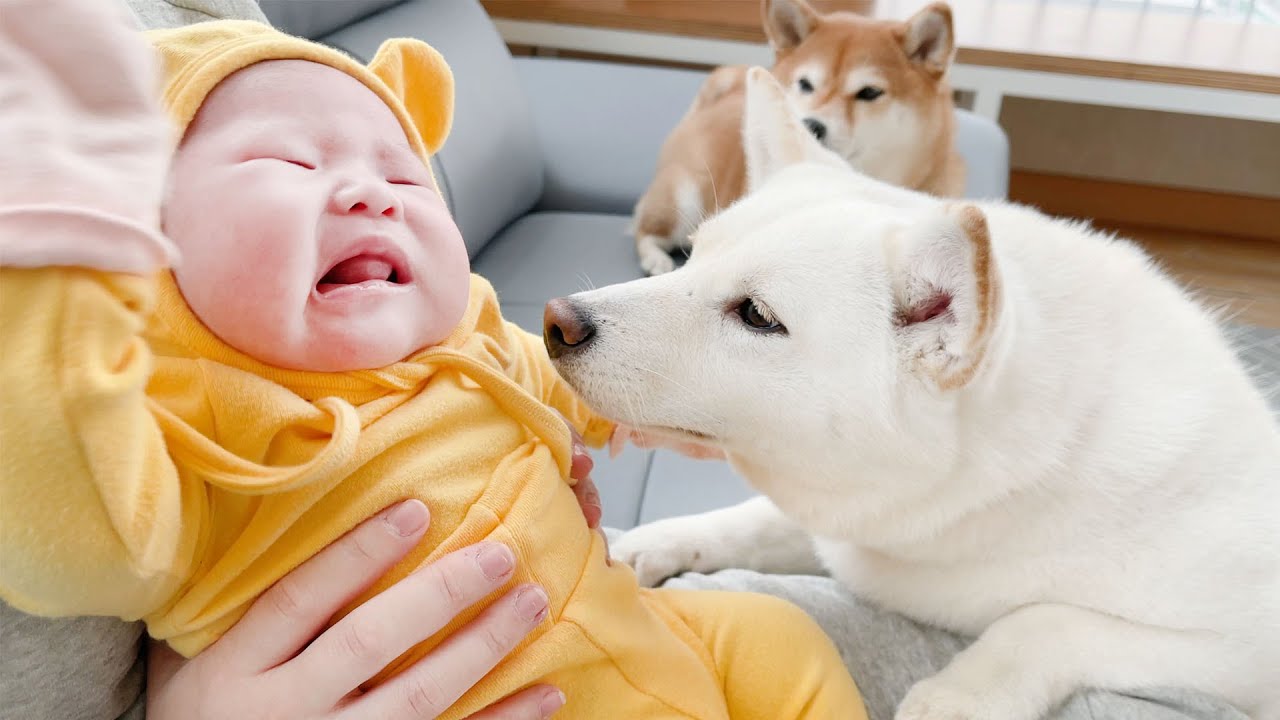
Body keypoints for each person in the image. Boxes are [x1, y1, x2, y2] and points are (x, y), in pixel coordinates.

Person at [0, 3, 866, 718]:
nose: (371, 190)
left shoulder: (460, 331)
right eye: (290, 161)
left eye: (406, 176)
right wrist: (58, 280)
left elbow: (543, 373)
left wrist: (637, 403)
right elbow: (62, 521)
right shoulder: (182, 419)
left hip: (648, 627)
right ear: (144, 238)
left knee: (779, 643)